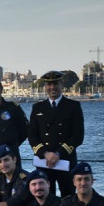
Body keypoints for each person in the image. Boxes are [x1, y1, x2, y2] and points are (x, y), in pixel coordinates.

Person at [29, 70, 85, 198]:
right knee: (46, 199)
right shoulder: (38, 108)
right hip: (44, 162)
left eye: (55, 84)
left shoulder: (73, 106)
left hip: (65, 160)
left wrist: (58, 154)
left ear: (61, 85)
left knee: (68, 197)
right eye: (49, 84)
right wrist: (45, 153)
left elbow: (78, 136)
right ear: (45, 87)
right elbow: (32, 135)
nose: (52, 87)